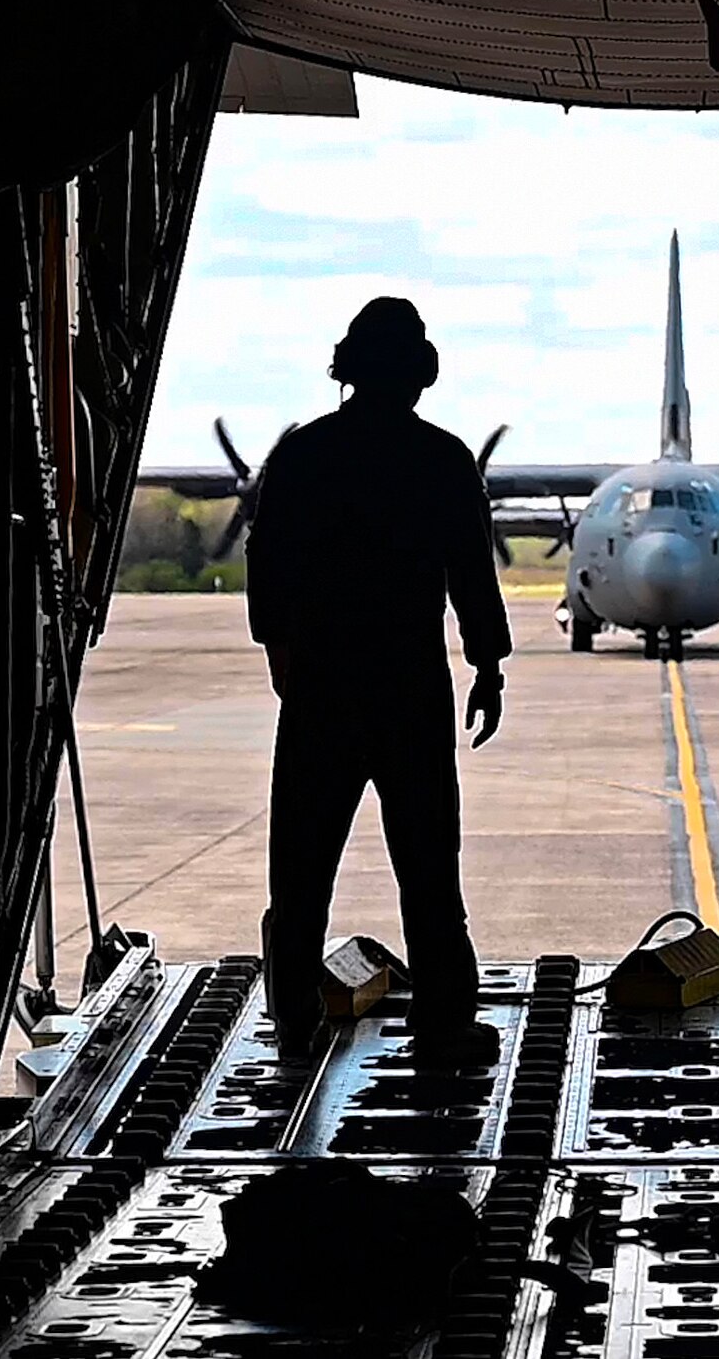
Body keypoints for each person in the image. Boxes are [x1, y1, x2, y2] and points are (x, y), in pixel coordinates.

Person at [247, 297, 511, 1066]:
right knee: (430, 866)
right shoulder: (443, 459)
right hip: (408, 689)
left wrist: (280, 649)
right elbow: (471, 572)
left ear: (348, 370)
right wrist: (487, 664)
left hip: (322, 688)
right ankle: (445, 1021)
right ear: (420, 375)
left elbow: (268, 561)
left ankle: (295, 1017)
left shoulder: (303, 454)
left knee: (301, 869)